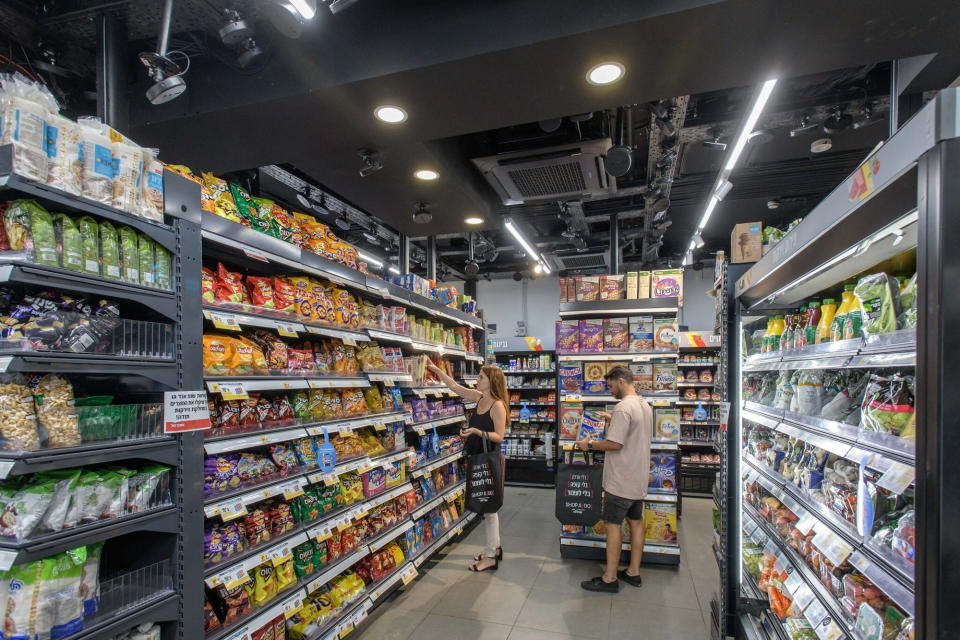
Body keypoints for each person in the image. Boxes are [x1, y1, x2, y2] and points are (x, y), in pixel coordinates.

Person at [574, 365, 653, 593]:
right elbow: (634, 431)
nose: (610, 391)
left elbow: (615, 444)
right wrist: (612, 418)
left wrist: (588, 444)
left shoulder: (622, 407)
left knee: (612, 526)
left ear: (620, 381)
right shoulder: (643, 404)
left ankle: (609, 578)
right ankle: (633, 572)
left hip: (620, 480)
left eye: (611, 386)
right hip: (637, 478)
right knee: (636, 523)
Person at [426, 362, 507, 572]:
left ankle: (490, 556)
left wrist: (476, 432)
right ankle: (495, 548)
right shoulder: (479, 397)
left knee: (489, 508)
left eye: (481, 377)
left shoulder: (497, 405)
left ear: (492, 381)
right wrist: (435, 370)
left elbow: (500, 436)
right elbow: (454, 387)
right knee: (488, 506)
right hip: (477, 456)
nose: (477, 380)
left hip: (488, 458)